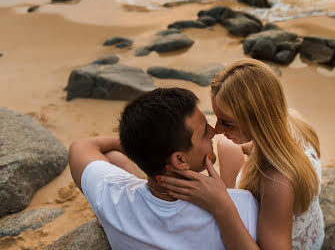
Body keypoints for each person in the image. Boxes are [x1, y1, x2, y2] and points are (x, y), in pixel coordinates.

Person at [157, 59, 324, 250]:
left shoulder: (277, 181)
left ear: (258, 122)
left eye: (227, 123)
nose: (217, 129)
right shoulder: (291, 121)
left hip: (288, 241)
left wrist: (221, 205)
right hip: (305, 227)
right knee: (227, 145)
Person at [68, 87, 259, 250]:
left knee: (113, 156)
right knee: (230, 149)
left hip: (133, 212)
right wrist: (224, 205)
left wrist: (145, 148)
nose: (213, 131)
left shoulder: (111, 197)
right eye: (203, 132)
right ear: (180, 160)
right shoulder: (241, 207)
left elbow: (80, 147)